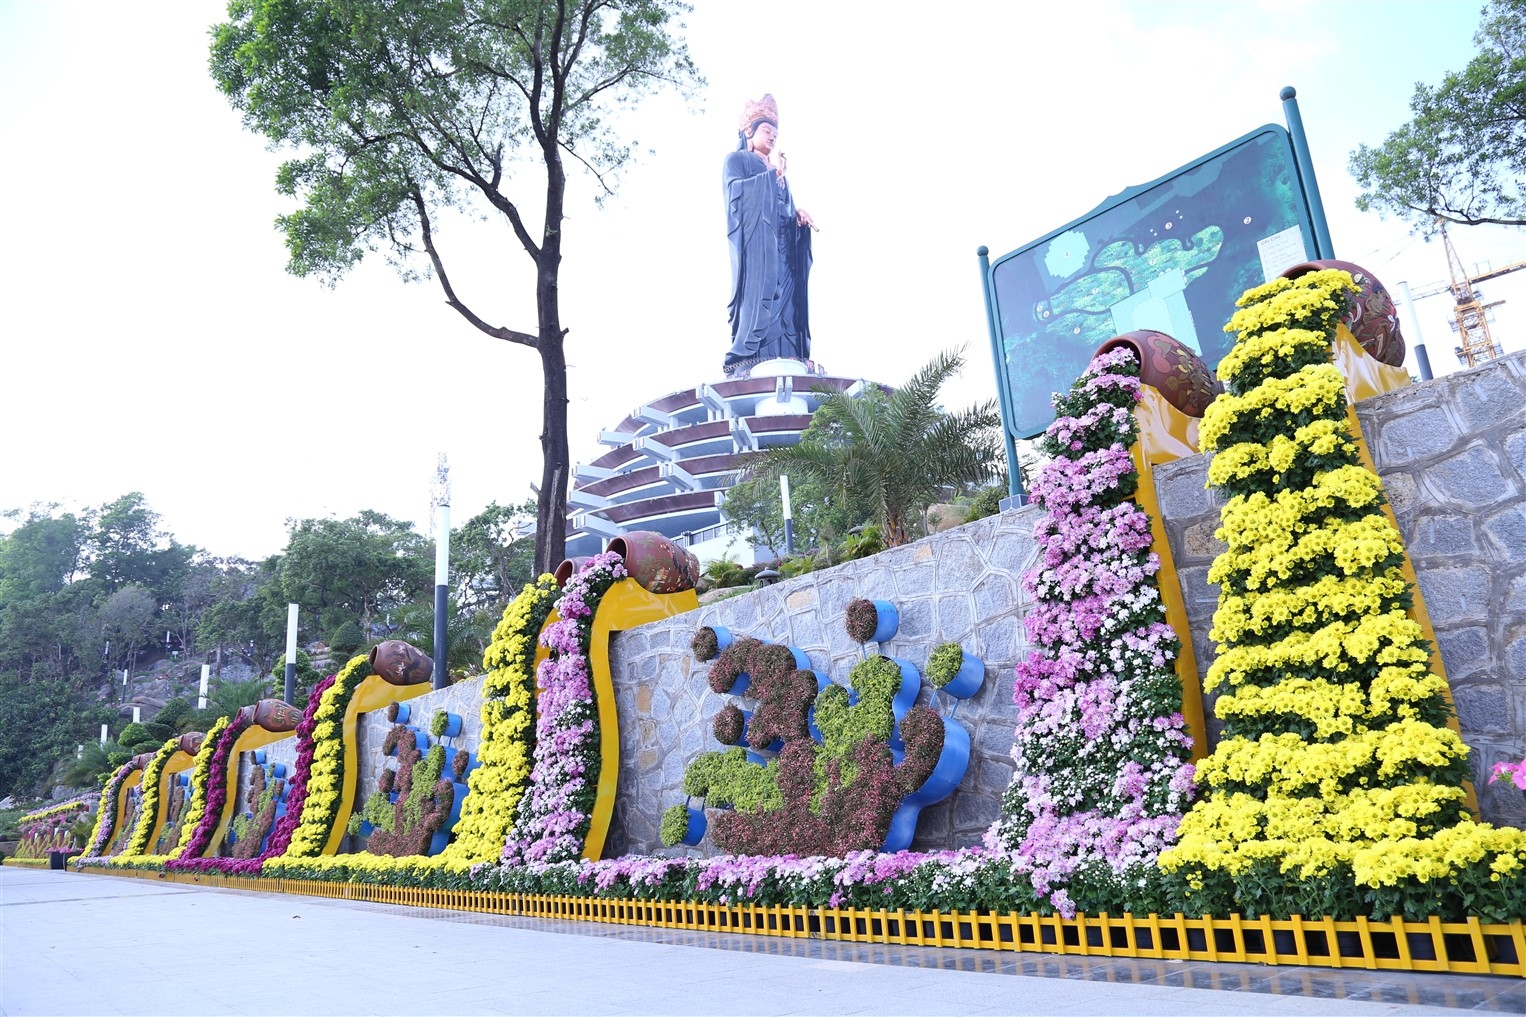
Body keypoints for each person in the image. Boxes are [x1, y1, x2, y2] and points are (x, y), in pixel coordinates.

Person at [724, 94, 817, 376]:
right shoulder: (737, 160)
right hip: (757, 248)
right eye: (767, 131)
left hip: (783, 247)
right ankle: (747, 358)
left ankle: (789, 355)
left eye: (776, 133)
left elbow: (784, 207)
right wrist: (769, 178)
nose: (772, 137)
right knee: (759, 296)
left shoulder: (780, 174)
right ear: (749, 133)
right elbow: (735, 196)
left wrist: (798, 217)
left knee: (788, 304)